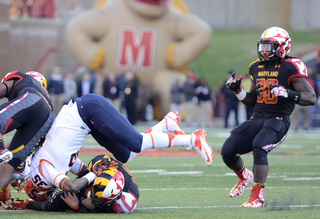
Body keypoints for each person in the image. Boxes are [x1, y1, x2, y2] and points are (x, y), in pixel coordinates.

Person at [10, 93, 212, 202]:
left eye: (48, 190)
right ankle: (166, 124)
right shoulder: (47, 165)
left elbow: (72, 185)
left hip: (88, 110)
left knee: (137, 143)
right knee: (127, 155)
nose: (53, 190)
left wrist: (94, 176)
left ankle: (192, 139)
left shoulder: (44, 169)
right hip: (87, 121)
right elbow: (82, 170)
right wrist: (98, 175)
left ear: (39, 185)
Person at [221, 27, 316, 207]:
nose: (264, 51)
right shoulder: (256, 66)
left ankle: (257, 197)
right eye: (263, 46)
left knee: (259, 145)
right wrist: (237, 91)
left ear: (282, 47)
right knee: (227, 150)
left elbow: (311, 97)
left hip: (278, 119)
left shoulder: (291, 66)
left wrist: (288, 93)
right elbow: (252, 101)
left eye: (269, 47)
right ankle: (244, 177)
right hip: (257, 117)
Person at [3, 154, 139, 213]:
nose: (90, 197)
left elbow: (102, 211)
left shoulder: (124, 205)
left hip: (101, 183)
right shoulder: (101, 163)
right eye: (92, 194)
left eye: (96, 199)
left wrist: (78, 207)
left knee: (51, 205)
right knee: (69, 162)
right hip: (93, 176)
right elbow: (84, 172)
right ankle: (30, 164)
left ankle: (20, 203)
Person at [0, 71, 53, 202]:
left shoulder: (20, 78)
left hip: (31, 99)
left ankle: (0, 150)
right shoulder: (44, 93)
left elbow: (3, 89)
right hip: (47, 116)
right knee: (10, 165)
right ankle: (3, 194)